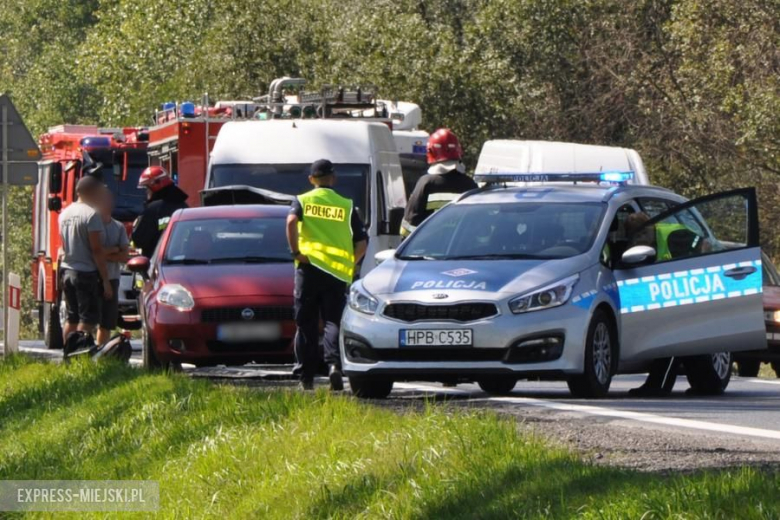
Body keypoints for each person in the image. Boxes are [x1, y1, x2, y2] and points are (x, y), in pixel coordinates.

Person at [286, 159, 368, 391]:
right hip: (336, 273)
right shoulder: (346, 205)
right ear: (333, 178)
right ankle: (334, 367)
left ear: (312, 179)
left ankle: (306, 376)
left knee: (306, 323)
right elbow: (361, 242)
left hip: (309, 268)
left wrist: (295, 252)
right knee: (333, 321)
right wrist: (350, 263)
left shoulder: (302, 200)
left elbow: (291, 221)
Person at [59, 176, 113, 341]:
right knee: (88, 319)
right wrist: (105, 280)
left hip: (67, 270)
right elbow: (96, 250)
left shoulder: (64, 214)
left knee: (72, 317)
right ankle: (79, 355)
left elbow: (63, 245)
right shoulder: (91, 215)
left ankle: (67, 354)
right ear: (91, 193)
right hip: (85, 272)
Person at [400, 128, 477, 236]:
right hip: (463, 250)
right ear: (458, 152)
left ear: (430, 152)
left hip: (429, 249)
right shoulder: (471, 185)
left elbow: (407, 228)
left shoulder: (426, 183)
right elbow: (477, 226)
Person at [96, 188, 131, 345]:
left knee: (107, 322)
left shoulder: (119, 227)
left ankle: (101, 353)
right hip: (92, 277)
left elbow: (125, 256)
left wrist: (104, 253)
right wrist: (115, 249)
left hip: (113, 278)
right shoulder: (91, 227)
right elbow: (92, 253)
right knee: (90, 321)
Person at [131, 166, 188, 258]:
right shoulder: (184, 207)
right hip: (182, 261)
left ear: (155, 185)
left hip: (155, 263)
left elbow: (139, 240)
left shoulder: (153, 209)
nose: (146, 193)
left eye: (147, 189)